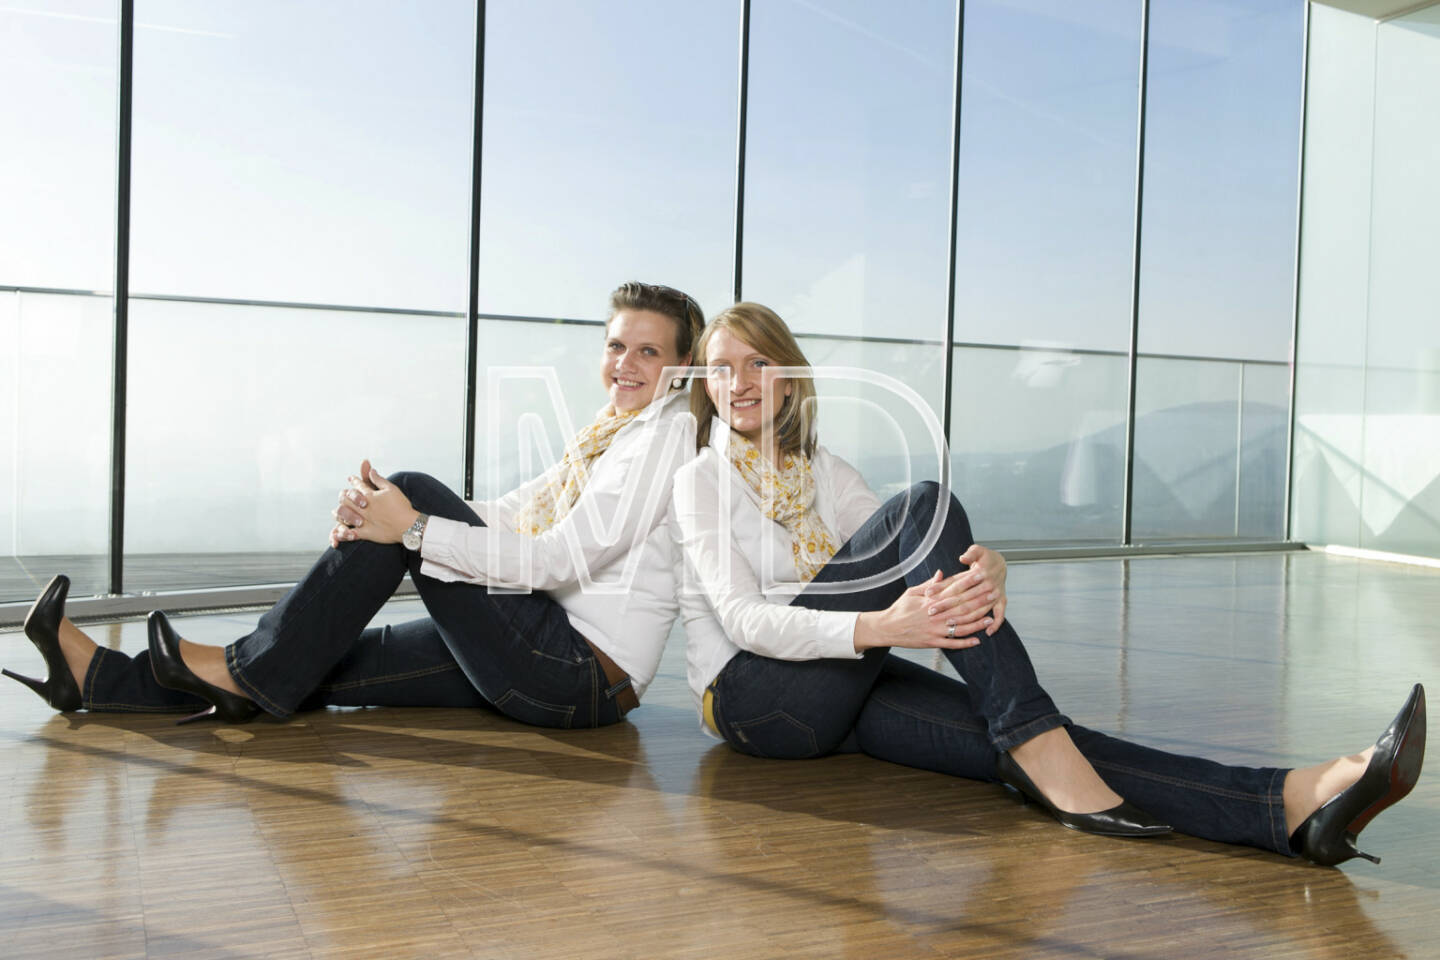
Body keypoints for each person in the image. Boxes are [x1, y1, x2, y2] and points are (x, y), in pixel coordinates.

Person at [669, 301, 1425, 865]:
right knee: (928, 506)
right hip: (752, 702)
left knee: (1044, 741)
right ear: (705, 385)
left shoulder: (828, 474)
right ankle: (1033, 736)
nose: (740, 382)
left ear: (789, 376)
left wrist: (983, 568)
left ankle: (1292, 803)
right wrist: (879, 628)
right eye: (722, 368)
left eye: (758, 363)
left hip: (833, 688)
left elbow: (907, 554)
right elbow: (741, 619)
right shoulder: (700, 480)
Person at [6, 281, 702, 730]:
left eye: (648, 351)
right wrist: (388, 520)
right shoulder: (611, 433)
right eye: (616, 345)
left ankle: (242, 673)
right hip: (536, 645)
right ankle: (95, 676)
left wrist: (414, 524)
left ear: (681, 369)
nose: (625, 363)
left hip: (575, 676)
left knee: (415, 492)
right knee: (312, 659)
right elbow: (519, 513)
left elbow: (553, 560)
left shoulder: (666, 437)